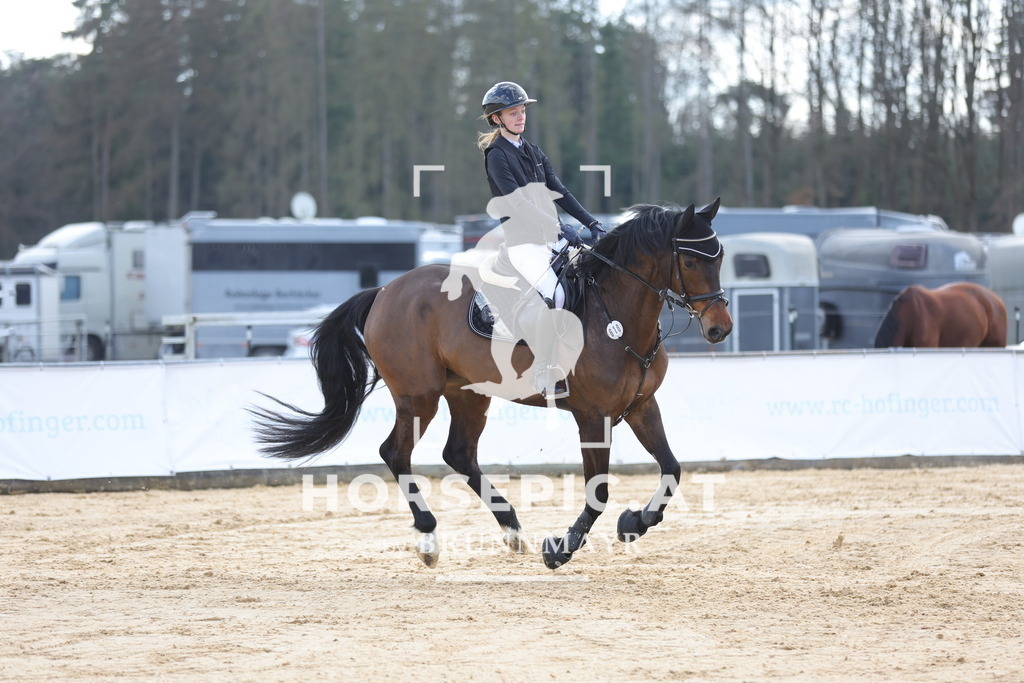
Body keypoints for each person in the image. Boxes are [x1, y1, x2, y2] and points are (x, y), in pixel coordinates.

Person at [476, 81, 604, 399]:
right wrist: (561, 229)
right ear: (496, 119)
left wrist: (592, 223)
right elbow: (519, 204)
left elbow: (561, 192)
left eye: (522, 111)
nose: (520, 117)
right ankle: (543, 372)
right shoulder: (497, 156)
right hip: (524, 245)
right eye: (513, 113)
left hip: (549, 240)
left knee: (591, 281)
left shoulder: (532, 151)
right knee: (556, 296)